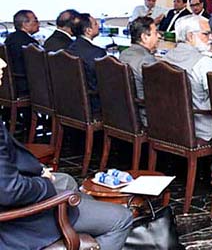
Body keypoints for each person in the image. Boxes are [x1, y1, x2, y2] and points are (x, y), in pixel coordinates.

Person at [0, 57, 133, 250]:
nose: (4, 63)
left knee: (68, 182)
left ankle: (87, 215)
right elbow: (9, 191)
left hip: (14, 194)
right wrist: (43, 183)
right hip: (15, 222)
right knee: (122, 217)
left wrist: (38, 173)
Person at [162, 15, 212, 143]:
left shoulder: (166, 58)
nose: (211, 38)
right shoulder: (204, 63)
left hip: (171, 125)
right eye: (206, 34)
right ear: (190, 36)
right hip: (202, 130)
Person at [119, 17, 159, 126]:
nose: (159, 36)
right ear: (145, 37)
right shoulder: (146, 59)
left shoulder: (123, 54)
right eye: (155, 33)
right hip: (144, 117)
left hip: (125, 114)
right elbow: (157, 92)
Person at [66, 13, 106, 113]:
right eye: (96, 24)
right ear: (88, 30)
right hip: (93, 104)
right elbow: (103, 82)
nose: (99, 26)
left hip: (72, 103)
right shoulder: (97, 52)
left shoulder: (69, 49)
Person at [5, 10, 40, 95]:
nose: (39, 23)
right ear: (25, 24)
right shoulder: (29, 43)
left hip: (9, 85)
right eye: (35, 20)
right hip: (25, 86)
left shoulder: (10, 38)